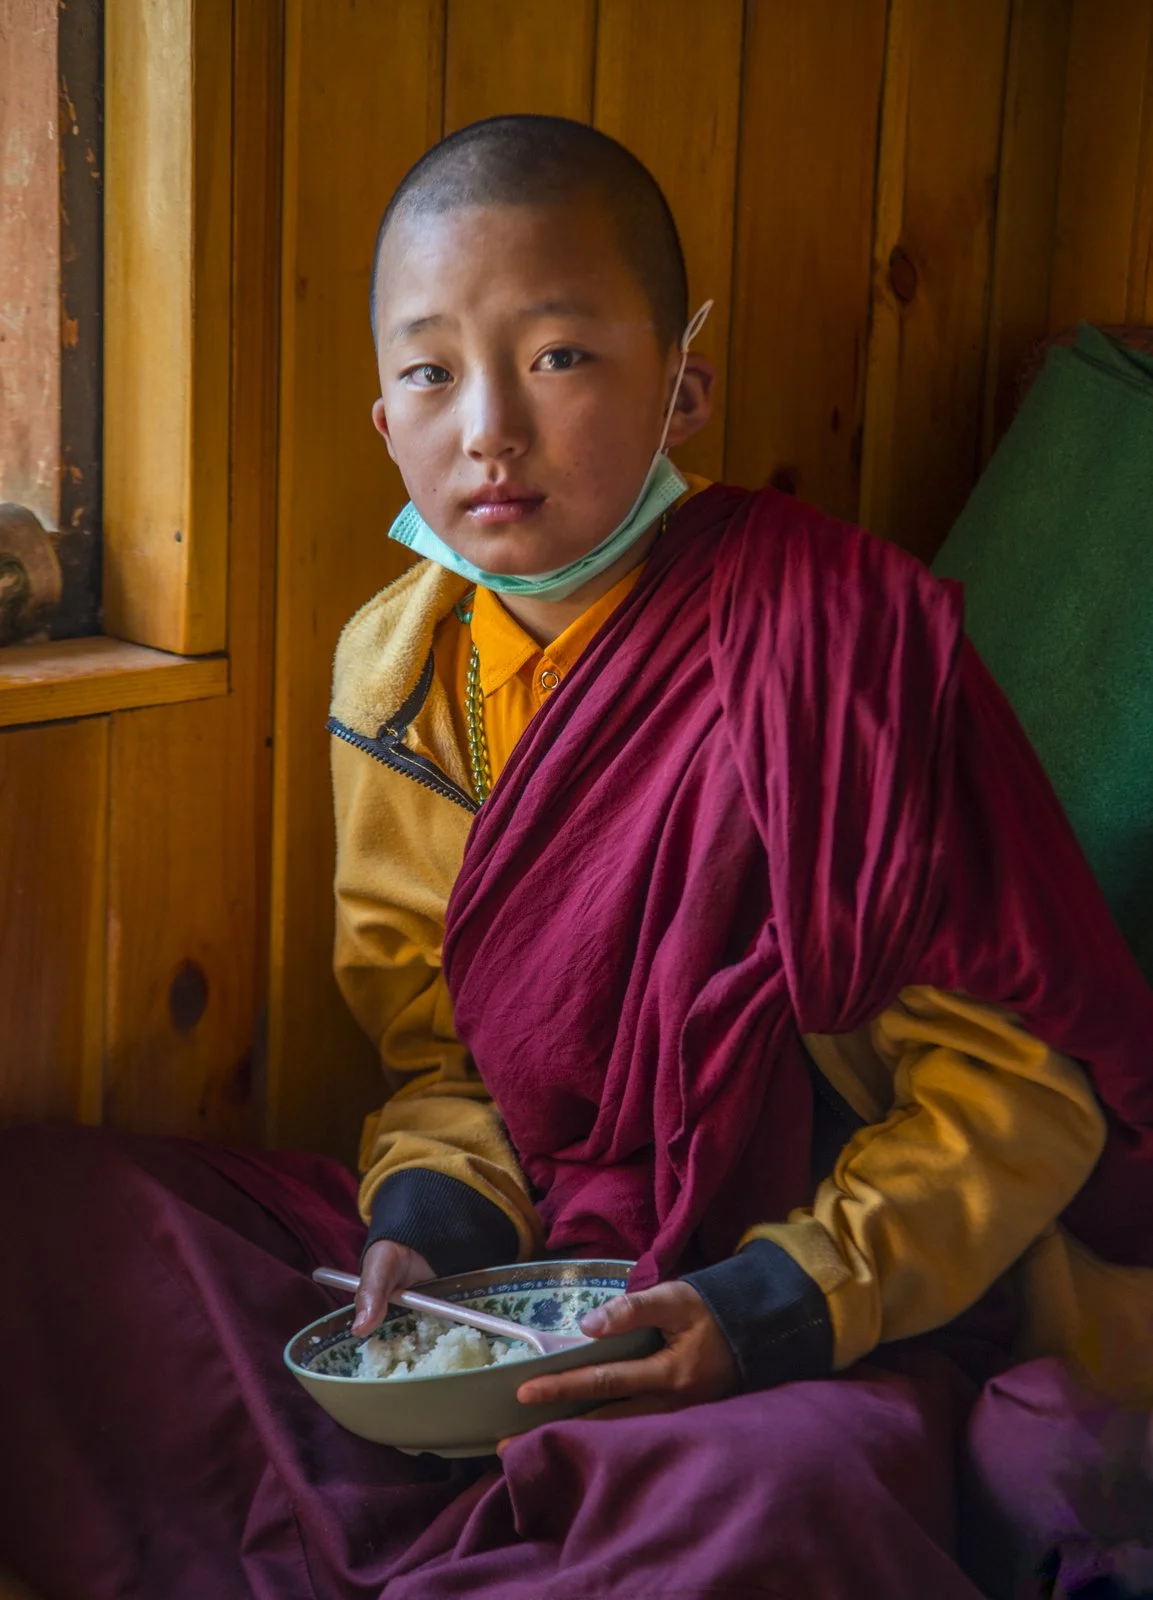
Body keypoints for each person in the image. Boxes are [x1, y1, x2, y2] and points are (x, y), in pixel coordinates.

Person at [2, 114, 1153, 1600]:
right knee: (53, 1224)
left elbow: (1018, 1094)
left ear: (682, 388)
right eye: (432, 372)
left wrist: (773, 1304)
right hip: (538, 1248)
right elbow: (452, 1058)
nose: (489, 426)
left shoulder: (832, 652)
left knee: (764, 1501)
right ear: (385, 421)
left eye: (557, 356)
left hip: (817, 1276)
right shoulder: (397, 673)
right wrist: (429, 1233)